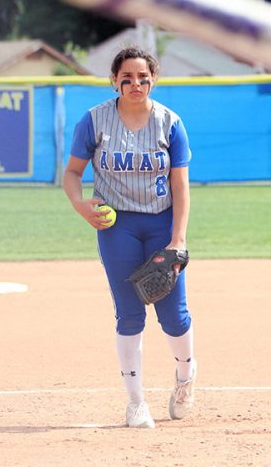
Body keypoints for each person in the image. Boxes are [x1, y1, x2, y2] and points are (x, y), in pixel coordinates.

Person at [62, 46, 196, 429]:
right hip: (116, 224)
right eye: (128, 76)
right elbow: (72, 173)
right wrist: (79, 204)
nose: (135, 83)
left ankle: (185, 378)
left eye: (143, 77)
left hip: (161, 223)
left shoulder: (170, 123)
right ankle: (136, 403)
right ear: (114, 80)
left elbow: (181, 186)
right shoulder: (95, 121)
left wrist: (178, 239)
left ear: (153, 80)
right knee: (130, 312)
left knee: (173, 315)